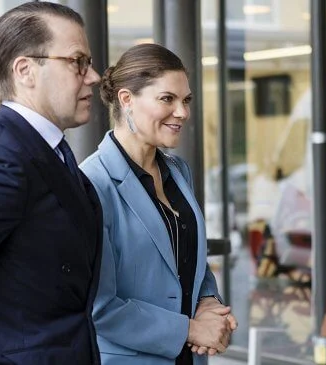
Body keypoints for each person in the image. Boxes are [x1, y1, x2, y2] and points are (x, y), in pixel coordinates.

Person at [0, 3, 103, 364]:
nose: (93, 76)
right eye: (78, 61)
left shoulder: (45, 151)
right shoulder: (3, 159)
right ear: (25, 71)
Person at [79, 43, 237, 365]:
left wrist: (207, 301)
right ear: (127, 100)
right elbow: (99, 306)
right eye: (167, 99)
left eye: (186, 100)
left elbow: (189, 257)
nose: (183, 112)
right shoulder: (91, 183)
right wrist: (191, 330)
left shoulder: (178, 171)